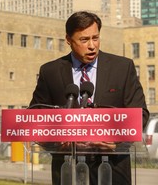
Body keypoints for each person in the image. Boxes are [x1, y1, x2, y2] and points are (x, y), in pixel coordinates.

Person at [29, 11, 149, 185]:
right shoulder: (50, 72)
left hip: (113, 169)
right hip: (68, 169)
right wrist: (56, 142)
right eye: (84, 40)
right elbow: (36, 116)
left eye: (96, 38)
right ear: (69, 40)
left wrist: (116, 141)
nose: (92, 45)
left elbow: (140, 114)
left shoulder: (122, 67)